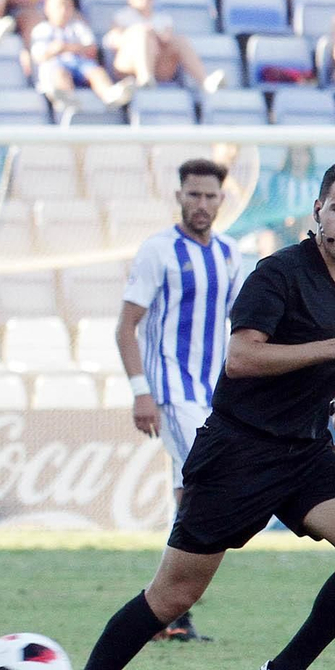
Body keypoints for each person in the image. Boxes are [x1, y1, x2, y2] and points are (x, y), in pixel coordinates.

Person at [42, 160, 335, 670]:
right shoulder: (276, 273)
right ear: (317, 211)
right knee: (173, 596)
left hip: (306, 449)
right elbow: (241, 359)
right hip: (240, 450)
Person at [115, 158, 245, 644]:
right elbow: (125, 326)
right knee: (212, 490)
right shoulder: (159, 251)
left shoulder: (232, 254)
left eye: (211, 196)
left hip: (215, 397)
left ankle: (168, 613)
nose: (202, 204)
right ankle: (169, 607)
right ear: (179, 196)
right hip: (171, 391)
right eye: (194, 195)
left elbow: (241, 329)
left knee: (191, 500)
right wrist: (140, 391)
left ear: (221, 200)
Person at [107, 0, 226, 91]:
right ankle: (145, 78)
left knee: (180, 41)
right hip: (128, 65)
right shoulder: (122, 17)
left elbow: (167, 39)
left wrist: (154, 35)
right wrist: (138, 33)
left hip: (159, 64)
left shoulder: (163, 19)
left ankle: (205, 82)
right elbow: (114, 41)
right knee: (141, 33)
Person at [30, 0, 135, 115]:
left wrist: (64, 47)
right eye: (59, 6)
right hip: (55, 66)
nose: (63, 11)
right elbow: (39, 56)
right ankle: (68, 100)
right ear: (47, 9)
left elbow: (91, 49)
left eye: (67, 6)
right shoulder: (41, 30)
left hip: (79, 65)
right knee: (60, 74)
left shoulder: (78, 27)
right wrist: (61, 50)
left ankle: (109, 95)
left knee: (97, 72)